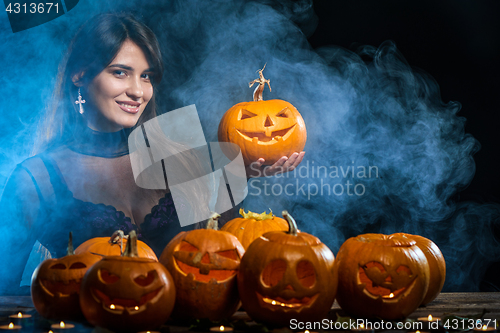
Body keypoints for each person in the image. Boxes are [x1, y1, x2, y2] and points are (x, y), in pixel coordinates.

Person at [0, 13, 304, 295]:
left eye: (146, 76)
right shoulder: (35, 179)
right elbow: (2, 292)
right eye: (120, 73)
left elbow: (220, 259)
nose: (138, 91)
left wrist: (244, 173)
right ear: (79, 75)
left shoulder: (178, 153)